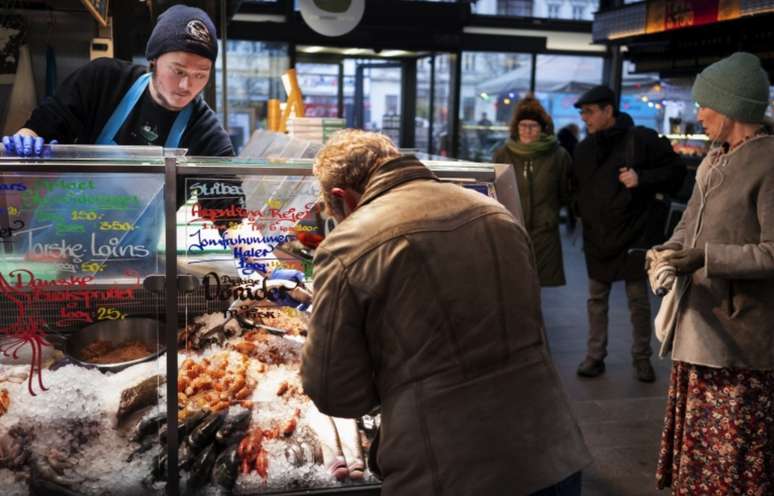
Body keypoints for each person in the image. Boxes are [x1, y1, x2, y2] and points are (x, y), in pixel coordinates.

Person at [301, 129, 590, 496]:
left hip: (444, 470)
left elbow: (334, 392)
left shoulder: (348, 244)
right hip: (551, 453)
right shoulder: (496, 212)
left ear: (342, 198)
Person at [648, 52, 774, 493]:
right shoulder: (714, 158)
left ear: (732, 107)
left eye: (705, 104)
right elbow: (690, 223)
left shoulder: (769, 162)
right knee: (702, 457)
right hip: (699, 326)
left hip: (739, 340)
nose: (697, 113)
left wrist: (706, 258)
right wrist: (668, 250)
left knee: (733, 461)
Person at [3, 4, 231, 157]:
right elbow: (44, 125)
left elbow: (229, 207)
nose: (186, 86)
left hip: (143, 231)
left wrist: (237, 228)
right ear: (154, 59)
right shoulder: (103, 80)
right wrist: (27, 139)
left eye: (200, 75)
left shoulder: (204, 129)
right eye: (178, 71)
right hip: (68, 222)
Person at [572, 85, 685, 382]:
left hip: (634, 234)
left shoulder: (642, 139)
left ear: (609, 110)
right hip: (597, 236)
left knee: (637, 299)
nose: (585, 118)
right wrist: (581, 212)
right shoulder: (584, 149)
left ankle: (641, 358)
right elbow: (576, 188)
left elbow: (677, 172)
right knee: (596, 298)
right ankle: (594, 356)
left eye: (590, 112)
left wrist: (642, 178)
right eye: (583, 113)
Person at [493, 96, 571, 287]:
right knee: (512, 284)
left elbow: (566, 192)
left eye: (533, 125)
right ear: (516, 128)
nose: (527, 130)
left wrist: (550, 215)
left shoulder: (558, 155)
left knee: (537, 285)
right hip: (511, 229)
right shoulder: (503, 154)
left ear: (543, 128)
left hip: (544, 230)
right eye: (523, 125)